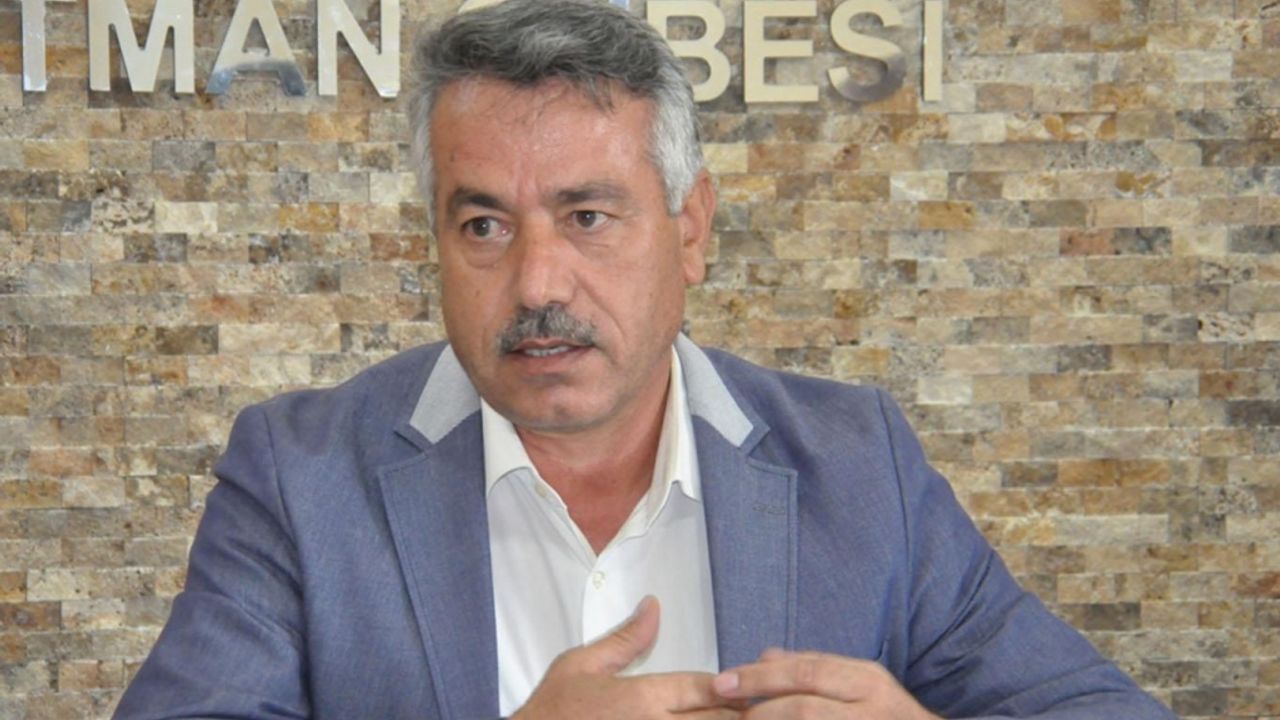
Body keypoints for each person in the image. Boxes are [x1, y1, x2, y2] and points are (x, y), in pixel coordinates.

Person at [115, 1, 1176, 718]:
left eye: (587, 216)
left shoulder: (860, 465)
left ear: (690, 229)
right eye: (484, 226)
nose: (537, 283)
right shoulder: (297, 478)